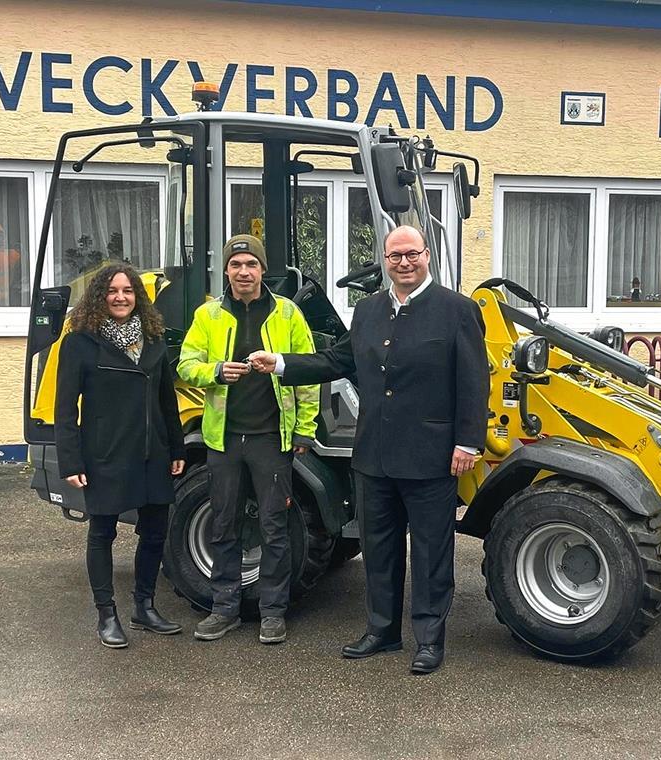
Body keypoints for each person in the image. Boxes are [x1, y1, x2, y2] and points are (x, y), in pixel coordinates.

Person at [249, 225, 489, 674]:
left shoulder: (457, 310)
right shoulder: (368, 311)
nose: (403, 263)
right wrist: (279, 363)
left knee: (432, 553)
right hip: (374, 456)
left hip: (432, 455)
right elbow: (336, 361)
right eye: (395, 256)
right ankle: (382, 632)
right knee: (379, 549)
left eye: (411, 255)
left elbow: (474, 382)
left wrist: (468, 442)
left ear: (427, 256)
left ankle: (429, 639)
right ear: (384, 260)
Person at [177, 234, 319, 645]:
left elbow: (306, 372)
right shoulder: (208, 316)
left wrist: (305, 428)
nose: (243, 272)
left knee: (274, 528)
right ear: (226, 270)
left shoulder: (287, 314)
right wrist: (217, 371)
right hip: (223, 439)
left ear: (262, 270)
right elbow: (186, 365)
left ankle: (273, 612)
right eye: (236, 264)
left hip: (270, 438)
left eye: (251, 264)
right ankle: (223, 609)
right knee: (223, 524)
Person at [54, 263, 186, 649]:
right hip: (105, 456)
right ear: (100, 296)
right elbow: (65, 410)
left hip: (152, 454)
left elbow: (166, 400)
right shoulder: (80, 342)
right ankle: (106, 614)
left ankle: (143, 607)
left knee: (155, 531)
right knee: (102, 533)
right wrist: (71, 461)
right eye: (112, 291)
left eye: (128, 291)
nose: (120, 297)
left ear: (137, 298)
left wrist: (176, 447)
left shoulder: (154, 339)